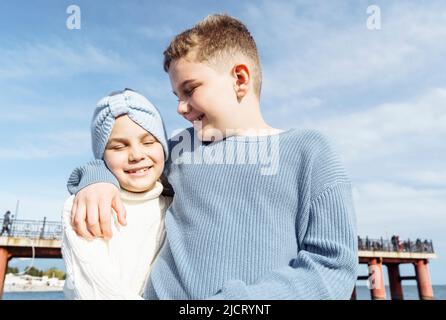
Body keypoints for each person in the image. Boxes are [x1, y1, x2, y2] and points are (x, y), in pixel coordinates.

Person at [66, 14, 358, 299]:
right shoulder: (181, 148)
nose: (180, 108)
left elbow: (331, 268)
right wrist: (97, 180)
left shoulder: (310, 151)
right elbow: (133, 163)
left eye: (189, 90)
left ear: (240, 79)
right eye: (176, 96)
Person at [61, 89, 171, 299]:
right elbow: (96, 291)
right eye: (119, 147)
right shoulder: (83, 207)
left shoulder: (177, 205)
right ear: (102, 157)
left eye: (148, 142)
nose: (137, 155)